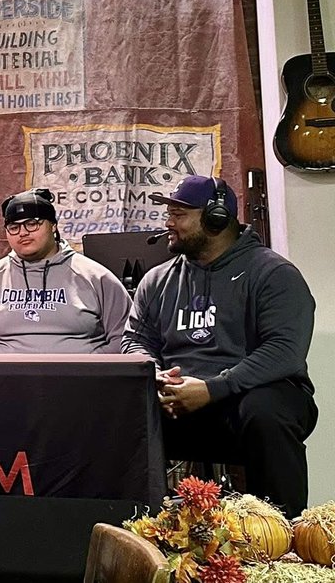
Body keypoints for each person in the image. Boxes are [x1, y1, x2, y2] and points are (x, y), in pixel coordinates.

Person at [122, 175, 318, 517]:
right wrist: (154, 375)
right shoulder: (157, 280)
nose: (168, 223)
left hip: (247, 397)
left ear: (216, 218)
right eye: (169, 213)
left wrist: (213, 388)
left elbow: (284, 351)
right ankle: (131, 527)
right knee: (114, 410)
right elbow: (136, 339)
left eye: (179, 214)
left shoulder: (273, 273)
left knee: (265, 411)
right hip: (176, 400)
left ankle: (281, 530)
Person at [0, 189, 131, 353]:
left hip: (82, 374)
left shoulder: (95, 277)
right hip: (5, 375)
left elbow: (126, 337)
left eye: (32, 224)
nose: (22, 232)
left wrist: (95, 367)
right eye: (14, 227)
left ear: (53, 226)